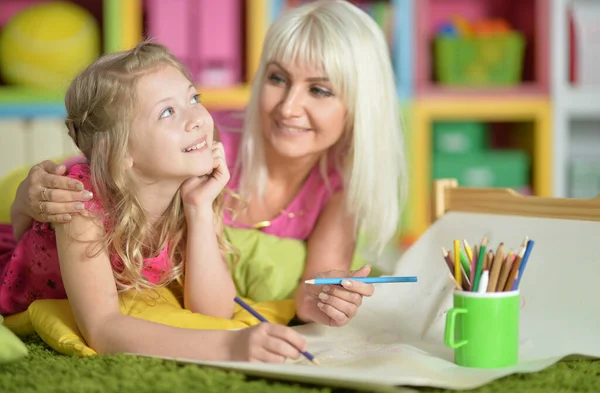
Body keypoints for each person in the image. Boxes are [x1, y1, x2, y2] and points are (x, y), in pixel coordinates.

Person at [7, 0, 407, 328]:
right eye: (277, 79)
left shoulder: (337, 189)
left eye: (319, 90)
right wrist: (31, 195)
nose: (288, 108)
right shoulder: (203, 141)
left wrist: (326, 303)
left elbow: (316, 284)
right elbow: (100, 165)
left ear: (359, 105)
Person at [0, 42, 310, 364]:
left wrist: (200, 209)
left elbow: (215, 311)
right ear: (122, 155)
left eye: (193, 98)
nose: (197, 120)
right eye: (167, 112)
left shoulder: (193, 191)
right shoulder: (84, 204)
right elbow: (103, 329)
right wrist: (231, 347)